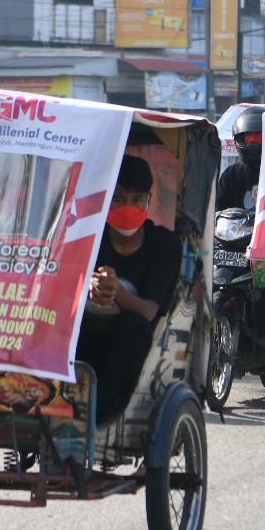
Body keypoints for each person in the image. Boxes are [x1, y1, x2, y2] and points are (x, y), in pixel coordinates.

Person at [77, 155, 182, 425]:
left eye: (137, 200)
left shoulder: (164, 244)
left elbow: (148, 310)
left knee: (132, 326)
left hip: (132, 348)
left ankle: (100, 416)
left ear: (148, 201)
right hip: (86, 336)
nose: (128, 207)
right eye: (120, 199)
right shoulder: (90, 235)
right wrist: (90, 285)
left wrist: (116, 293)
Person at [217, 107, 265, 211]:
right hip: (238, 226)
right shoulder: (231, 174)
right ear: (240, 138)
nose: (253, 142)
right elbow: (218, 212)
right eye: (248, 136)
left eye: (258, 136)